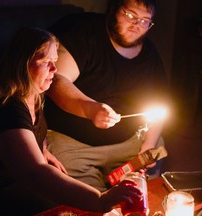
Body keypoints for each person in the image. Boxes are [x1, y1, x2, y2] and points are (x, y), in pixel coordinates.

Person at [0, 27, 142, 215]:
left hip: (16, 183)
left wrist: (43, 150)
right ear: (23, 63)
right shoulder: (9, 109)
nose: (54, 69)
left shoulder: (33, 94)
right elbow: (35, 173)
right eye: (46, 61)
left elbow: (33, 134)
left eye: (55, 60)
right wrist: (100, 200)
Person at [45, 0, 171, 192]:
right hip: (74, 146)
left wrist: (149, 143)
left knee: (150, 168)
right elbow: (56, 80)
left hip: (129, 143)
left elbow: (161, 101)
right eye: (130, 15)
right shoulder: (84, 32)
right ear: (114, 9)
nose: (137, 25)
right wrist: (91, 109)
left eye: (145, 20)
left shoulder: (149, 54)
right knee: (90, 200)